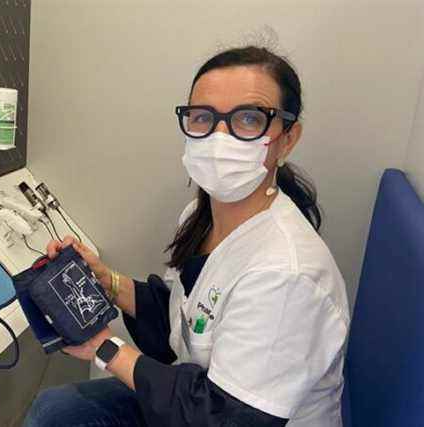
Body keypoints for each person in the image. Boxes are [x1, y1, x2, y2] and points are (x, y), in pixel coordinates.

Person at [24, 46, 349, 427]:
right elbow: (188, 324)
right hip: (195, 400)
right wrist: (106, 282)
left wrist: (103, 348)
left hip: (224, 418)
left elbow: (224, 417)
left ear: (287, 138)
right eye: (203, 117)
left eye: (248, 118)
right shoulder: (200, 217)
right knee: (57, 411)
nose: (219, 136)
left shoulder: (286, 275)